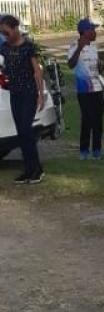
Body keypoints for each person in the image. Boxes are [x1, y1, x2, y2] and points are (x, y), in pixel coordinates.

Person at [0, 14, 45, 184]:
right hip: (15, 94)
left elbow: (37, 71)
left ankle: (37, 169)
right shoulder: (4, 47)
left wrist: (41, 95)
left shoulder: (28, 47)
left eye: (7, 32)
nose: (5, 36)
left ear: (15, 28)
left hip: (28, 94)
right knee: (21, 133)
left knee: (26, 131)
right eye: (2, 33)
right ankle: (28, 170)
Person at [68, 18, 104, 160]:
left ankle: (97, 150)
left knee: (98, 121)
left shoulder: (94, 47)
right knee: (87, 119)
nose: (95, 32)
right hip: (84, 90)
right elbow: (71, 65)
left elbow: (99, 70)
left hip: (97, 88)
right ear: (85, 32)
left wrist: (102, 66)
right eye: (92, 30)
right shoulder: (74, 46)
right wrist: (79, 48)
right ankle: (84, 150)